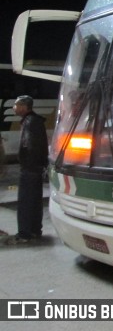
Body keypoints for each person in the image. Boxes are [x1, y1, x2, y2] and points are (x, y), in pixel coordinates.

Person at [7, 95, 48, 244]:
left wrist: (26, 163)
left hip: (30, 168)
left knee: (25, 202)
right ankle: (36, 230)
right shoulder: (36, 121)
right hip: (36, 168)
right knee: (35, 201)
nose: (14, 108)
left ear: (24, 107)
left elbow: (29, 145)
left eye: (16, 105)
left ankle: (25, 233)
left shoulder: (29, 122)